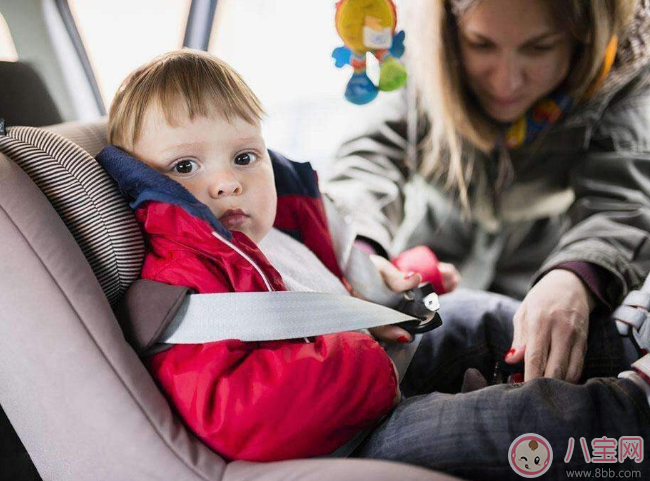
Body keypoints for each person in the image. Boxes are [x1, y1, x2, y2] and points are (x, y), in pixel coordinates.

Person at [96, 48, 650, 480]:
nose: (226, 180)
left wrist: (404, 280)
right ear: (141, 182)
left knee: (479, 315)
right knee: (513, 424)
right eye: (185, 165)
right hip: (345, 440)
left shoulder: (272, 236)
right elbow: (235, 415)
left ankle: (623, 339)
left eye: (245, 157)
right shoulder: (185, 284)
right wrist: (362, 344)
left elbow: (325, 290)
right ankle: (631, 414)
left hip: (370, 376)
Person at [325, 0, 650, 384]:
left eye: (539, 48)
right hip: (425, 248)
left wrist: (575, 276)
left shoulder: (626, 69)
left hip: (542, 267)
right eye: (481, 45)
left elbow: (620, 202)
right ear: (448, 30)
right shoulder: (413, 47)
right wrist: (358, 252)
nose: (506, 81)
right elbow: (368, 160)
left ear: (585, 37)